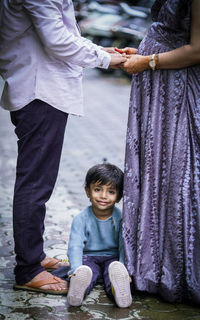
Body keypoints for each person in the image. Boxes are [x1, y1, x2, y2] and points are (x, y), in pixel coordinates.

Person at [0, 0, 126, 295]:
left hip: (40, 88)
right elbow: (57, 40)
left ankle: (34, 254)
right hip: (41, 91)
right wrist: (107, 60)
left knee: (37, 181)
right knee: (35, 184)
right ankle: (28, 268)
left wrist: (102, 52)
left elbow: (60, 32)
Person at [118, 0, 200, 304]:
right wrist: (142, 55)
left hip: (175, 87)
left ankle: (173, 269)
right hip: (159, 83)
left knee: (176, 172)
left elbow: (197, 48)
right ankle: (149, 264)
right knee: (155, 169)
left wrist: (149, 60)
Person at [66, 163, 132, 308]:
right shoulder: (81, 218)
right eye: (97, 189)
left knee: (113, 274)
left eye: (111, 192)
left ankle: (119, 292)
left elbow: (124, 245)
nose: (103, 196)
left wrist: (124, 267)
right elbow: (75, 246)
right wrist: (75, 269)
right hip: (89, 257)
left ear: (119, 196)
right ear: (87, 191)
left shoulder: (121, 218)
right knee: (87, 273)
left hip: (113, 258)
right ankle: (78, 291)